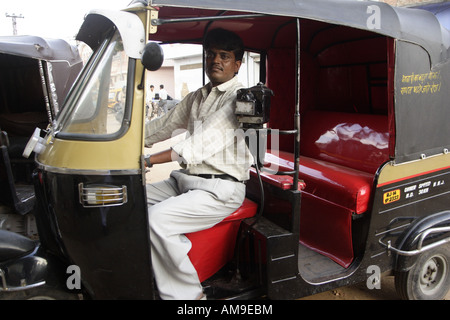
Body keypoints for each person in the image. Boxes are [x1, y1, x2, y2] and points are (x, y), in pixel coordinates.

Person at [144, 28, 252, 300]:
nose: (216, 60)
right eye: (211, 54)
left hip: (220, 190)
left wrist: (148, 159)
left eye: (224, 56)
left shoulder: (240, 98)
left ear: (237, 64)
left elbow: (198, 145)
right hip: (185, 181)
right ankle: (151, 271)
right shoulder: (198, 96)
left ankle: (190, 298)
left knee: (157, 220)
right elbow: (162, 126)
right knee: (131, 199)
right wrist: (124, 139)